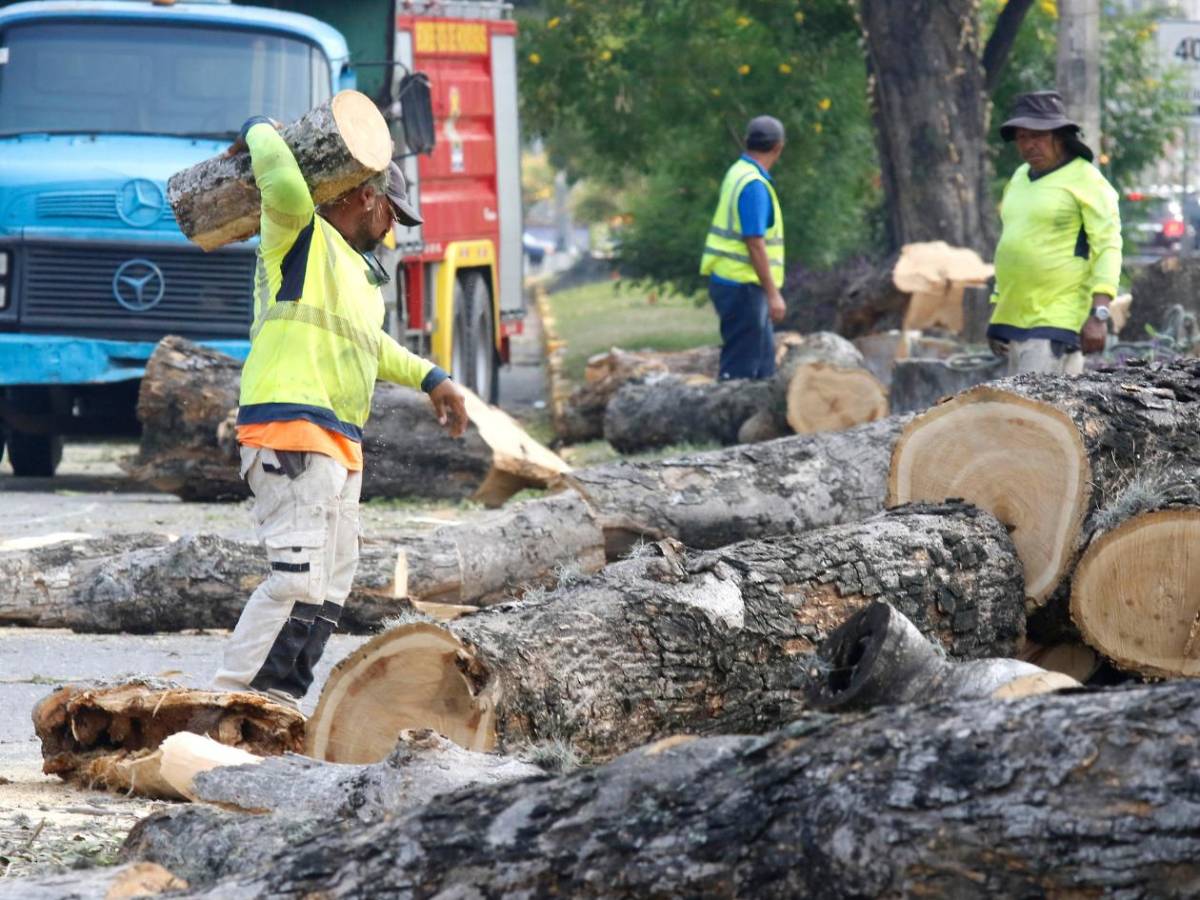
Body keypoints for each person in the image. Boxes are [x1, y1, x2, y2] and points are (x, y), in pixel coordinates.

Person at [212, 116, 467, 705]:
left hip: (338, 441)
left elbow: (371, 346)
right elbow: (281, 177)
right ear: (364, 196)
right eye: (392, 216)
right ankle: (231, 702)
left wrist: (432, 378)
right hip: (291, 429)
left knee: (330, 586)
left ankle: (278, 703)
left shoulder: (358, 275)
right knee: (296, 578)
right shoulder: (298, 233)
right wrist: (256, 127)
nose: (393, 230)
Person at [988, 90, 1122, 375]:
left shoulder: (1086, 180)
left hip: (1056, 322)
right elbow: (1010, 243)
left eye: (1037, 135)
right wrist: (998, 313)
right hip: (1014, 322)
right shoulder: (1019, 178)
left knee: (1033, 415)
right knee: (1017, 415)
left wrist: (1099, 314)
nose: (1028, 145)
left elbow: (1108, 247)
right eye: (1021, 137)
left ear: (1059, 136)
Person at [700, 115, 787, 380]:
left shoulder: (737, 172)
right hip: (743, 287)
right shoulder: (754, 186)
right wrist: (773, 294)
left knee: (762, 370)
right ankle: (729, 420)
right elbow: (755, 243)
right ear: (778, 147)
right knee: (741, 372)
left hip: (734, 283)